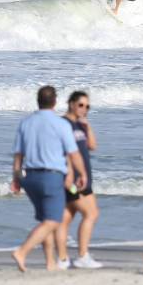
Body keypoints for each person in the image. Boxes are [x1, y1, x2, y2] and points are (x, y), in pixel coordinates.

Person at [10, 86, 88, 272]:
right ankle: (22, 251)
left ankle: (50, 263)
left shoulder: (26, 123)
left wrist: (16, 178)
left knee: (45, 220)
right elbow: (73, 153)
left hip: (30, 177)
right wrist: (82, 173)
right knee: (53, 221)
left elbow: (18, 155)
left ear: (38, 100)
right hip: (51, 176)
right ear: (55, 102)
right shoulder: (61, 124)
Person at [55, 91, 102, 269]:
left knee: (66, 217)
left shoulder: (80, 125)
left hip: (83, 177)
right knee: (91, 213)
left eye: (87, 106)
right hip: (73, 179)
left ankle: (62, 259)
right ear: (71, 104)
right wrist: (69, 175)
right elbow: (63, 151)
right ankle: (82, 255)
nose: (85, 109)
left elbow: (92, 146)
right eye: (81, 105)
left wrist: (87, 126)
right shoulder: (63, 124)